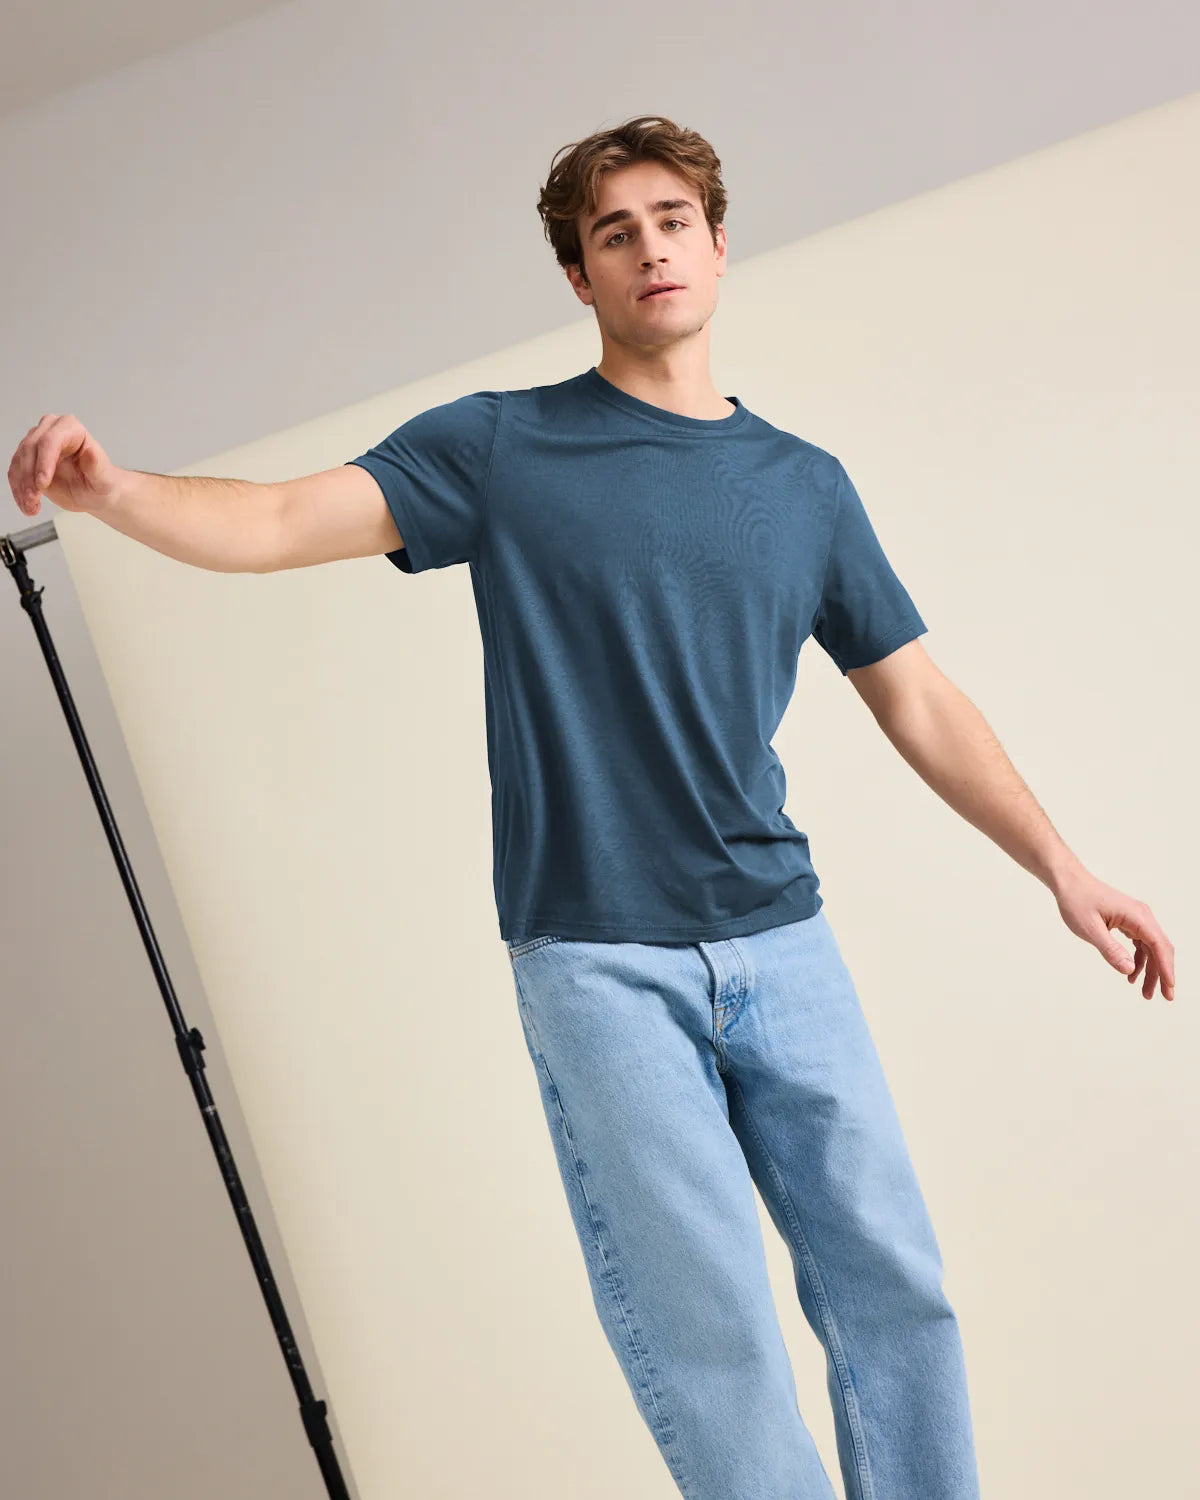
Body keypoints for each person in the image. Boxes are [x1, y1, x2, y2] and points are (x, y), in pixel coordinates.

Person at [7, 113, 1175, 1500]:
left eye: (673, 220)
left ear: (719, 245)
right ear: (581, 277)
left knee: (897, 1290)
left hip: (781, 940)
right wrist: (116, 488)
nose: (651, 250)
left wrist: (1063, 866)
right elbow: (273, 525)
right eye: (614, 233)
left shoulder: (804, 487)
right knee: (711, 1340)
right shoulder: (503, 449)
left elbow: (916, 699)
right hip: (599, 961)